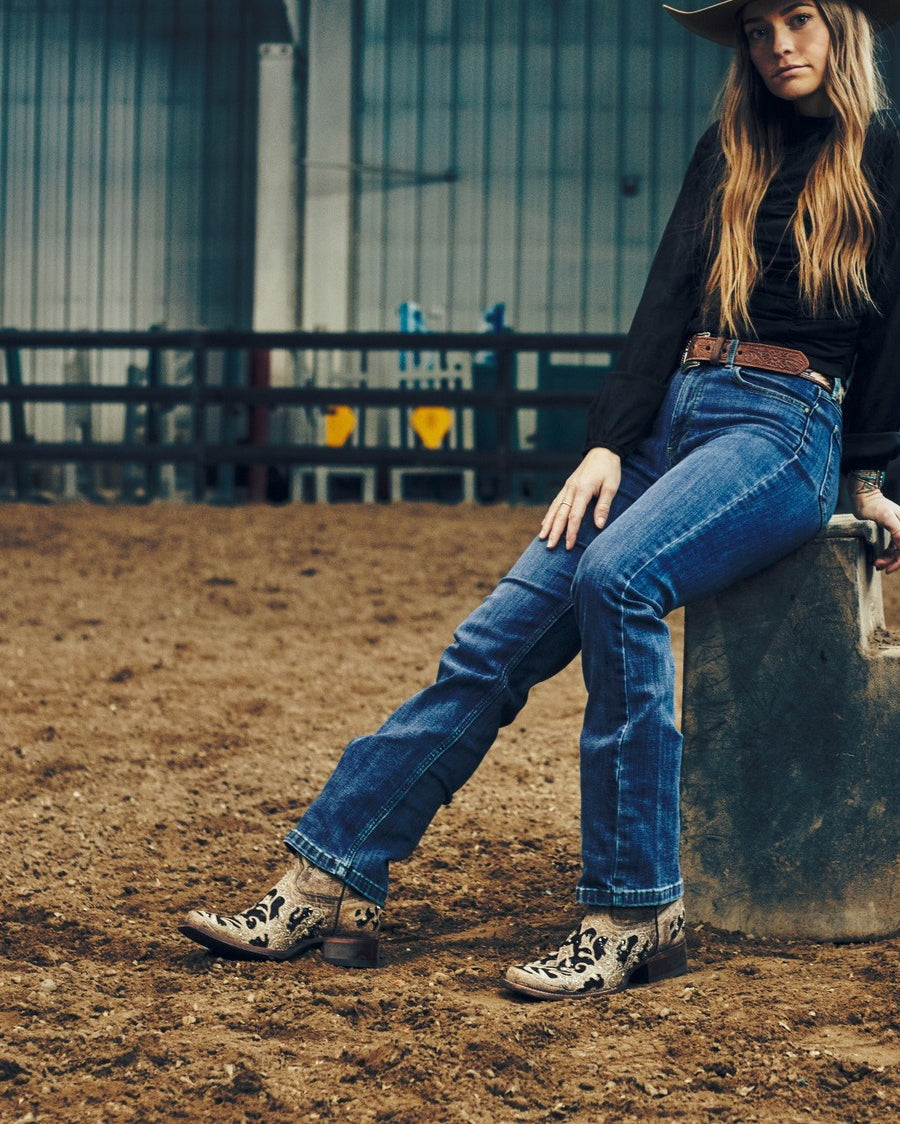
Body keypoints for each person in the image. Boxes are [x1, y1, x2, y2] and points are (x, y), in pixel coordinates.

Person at [179, 0, 900, 1000]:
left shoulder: (884, 157)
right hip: (674, 417)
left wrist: (872, 474)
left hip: (784, 429)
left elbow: (892, 328)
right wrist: (610, 440)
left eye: (799, 20)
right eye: (758, 28)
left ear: (842, 28)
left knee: (619, 576)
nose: (779, 43)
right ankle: (325, 872)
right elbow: (664, 301)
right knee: (494, 638)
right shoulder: (724, 149)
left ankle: (636, 908)